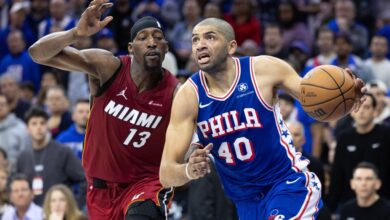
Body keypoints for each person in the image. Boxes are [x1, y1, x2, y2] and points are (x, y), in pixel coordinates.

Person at [159, 18, 365, 220]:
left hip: (287, 183)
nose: (200, 45)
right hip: (245, 202)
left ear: (231, 47)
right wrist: (189, 170)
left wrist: (346, 96)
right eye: (195, 40)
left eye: (210, 37)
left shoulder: (264, 70)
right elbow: (166, 173)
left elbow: (313, 98)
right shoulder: (188, 96)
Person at [28, 1, 179, 218]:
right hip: (99, 190)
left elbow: (190, 135)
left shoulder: (176, 92)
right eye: (143, 37)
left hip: (145, 185)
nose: (152, 42)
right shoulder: (109, 67)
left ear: (166, 47)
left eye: (158, 37)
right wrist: (74, 33)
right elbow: (38, 53)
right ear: (130, 48)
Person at [327, 94, 390, 212]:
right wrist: (331, 207)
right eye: (358, 107)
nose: (361, 112)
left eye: (366, 107)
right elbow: (337, 173)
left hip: (383, 202)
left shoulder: (386, 135)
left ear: (375, 111)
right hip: (349, 203)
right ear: (351, 112)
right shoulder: (344, 138)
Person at [17, 107, 86, 206]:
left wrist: (75, 205)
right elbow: (15, 184)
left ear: (47, 126)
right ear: (27, 129)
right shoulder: (23, 156)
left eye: (42, 123)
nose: (39, 127)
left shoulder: (63, 151)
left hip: (60, 212)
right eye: (34, 123)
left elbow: (84, 179)